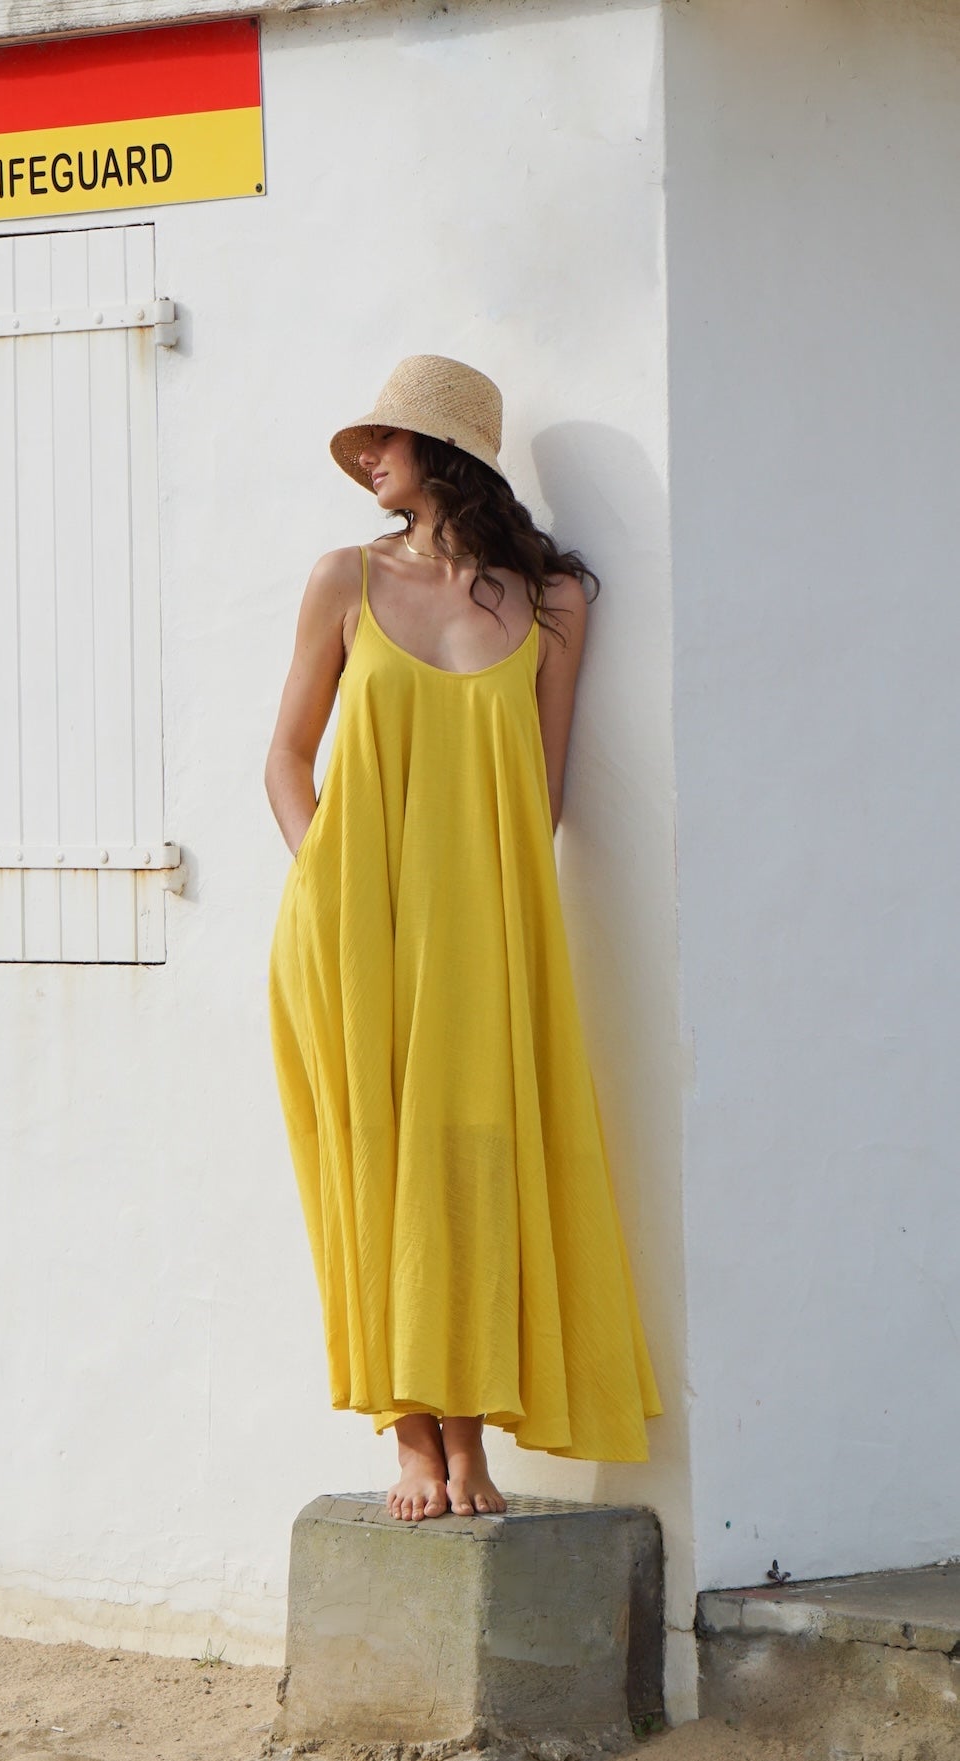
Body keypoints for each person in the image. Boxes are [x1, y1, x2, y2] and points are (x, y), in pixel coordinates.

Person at [265, 356, 662, 1524]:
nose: (366, 458)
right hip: (349, 927)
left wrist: (475, 905)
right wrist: (328, 881)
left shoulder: (548, 603)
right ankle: (411, 1439)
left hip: (485, 925)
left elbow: (541, 787)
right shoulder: (344, 578)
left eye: (386, 439)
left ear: (445, 455)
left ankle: (473, 1437)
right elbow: (287, 758)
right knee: (375, 1163)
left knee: (476, 1159)